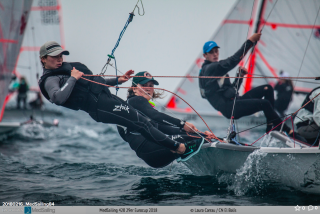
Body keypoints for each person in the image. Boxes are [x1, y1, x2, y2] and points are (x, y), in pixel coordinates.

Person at [38, 41, 199, 159]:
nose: (59, 59)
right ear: (44, 59)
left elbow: (93, 82)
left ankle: (177, 146)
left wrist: (117, 80)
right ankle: (179, 148)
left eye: (60, 55)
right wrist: (72, 78)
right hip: (100, 107)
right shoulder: (50, 80)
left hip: (106, 100)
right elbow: (58, 98)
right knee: (142, 123)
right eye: (54, 57)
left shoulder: (64, 71)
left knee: (143, 122)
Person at [199, 33, 297, 136]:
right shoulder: (209, 69)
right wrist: (250, 41)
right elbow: (232, 60)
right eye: (211, 52)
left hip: (235, 101)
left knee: (268, 89)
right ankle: (287, 131)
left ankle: (271, 126)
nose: (215, 54)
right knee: (264, 104)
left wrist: (239, 77)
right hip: (230, 109)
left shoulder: (217, 70)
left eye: (216, 51)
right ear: (205, 56)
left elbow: (232, 90)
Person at [117, 72, 214, 168]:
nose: (148, 88)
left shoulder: (133, 108)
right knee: (197, 140)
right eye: (143, 85)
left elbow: (162, 127)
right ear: (134, 88)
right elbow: (156, 116)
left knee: (196, 138)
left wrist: (199, 134)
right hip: (151, 149)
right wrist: (182, 124)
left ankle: (203, 145)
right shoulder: (135, 100)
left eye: (151, 85)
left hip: (152, 156)